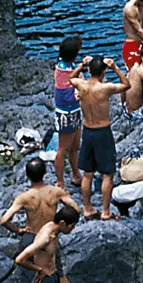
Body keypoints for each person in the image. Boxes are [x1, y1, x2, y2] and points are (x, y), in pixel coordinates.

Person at [1, 159, 83, 283]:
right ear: (45, 173)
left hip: (31, 237)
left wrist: (17, 230)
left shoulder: (25, 197)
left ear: (27, 175)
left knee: (35, 279)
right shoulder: (55, 192)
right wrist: (60, 219)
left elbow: (4, 220)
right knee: (60, 275)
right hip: (49, 237)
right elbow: (76, 208)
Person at [74, 57, 129, 220]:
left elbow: (71, 78)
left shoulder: (80, 85)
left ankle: (88, 208)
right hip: (102, 132)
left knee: (88, 173)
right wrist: (116, 68)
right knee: (107, 173)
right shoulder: (105, 88)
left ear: (89, 71)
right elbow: (127, 85)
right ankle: (105, 211)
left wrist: (81, 65)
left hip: (88, 131)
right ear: (104, 72)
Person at [52, 36, 86, 192]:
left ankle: (76, 174)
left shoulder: (67, 65)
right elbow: (67, 90)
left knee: (74, 146)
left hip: (74, 111)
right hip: (66, 113)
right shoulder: (64, 70)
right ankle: (60, 181)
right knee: (63, 148)